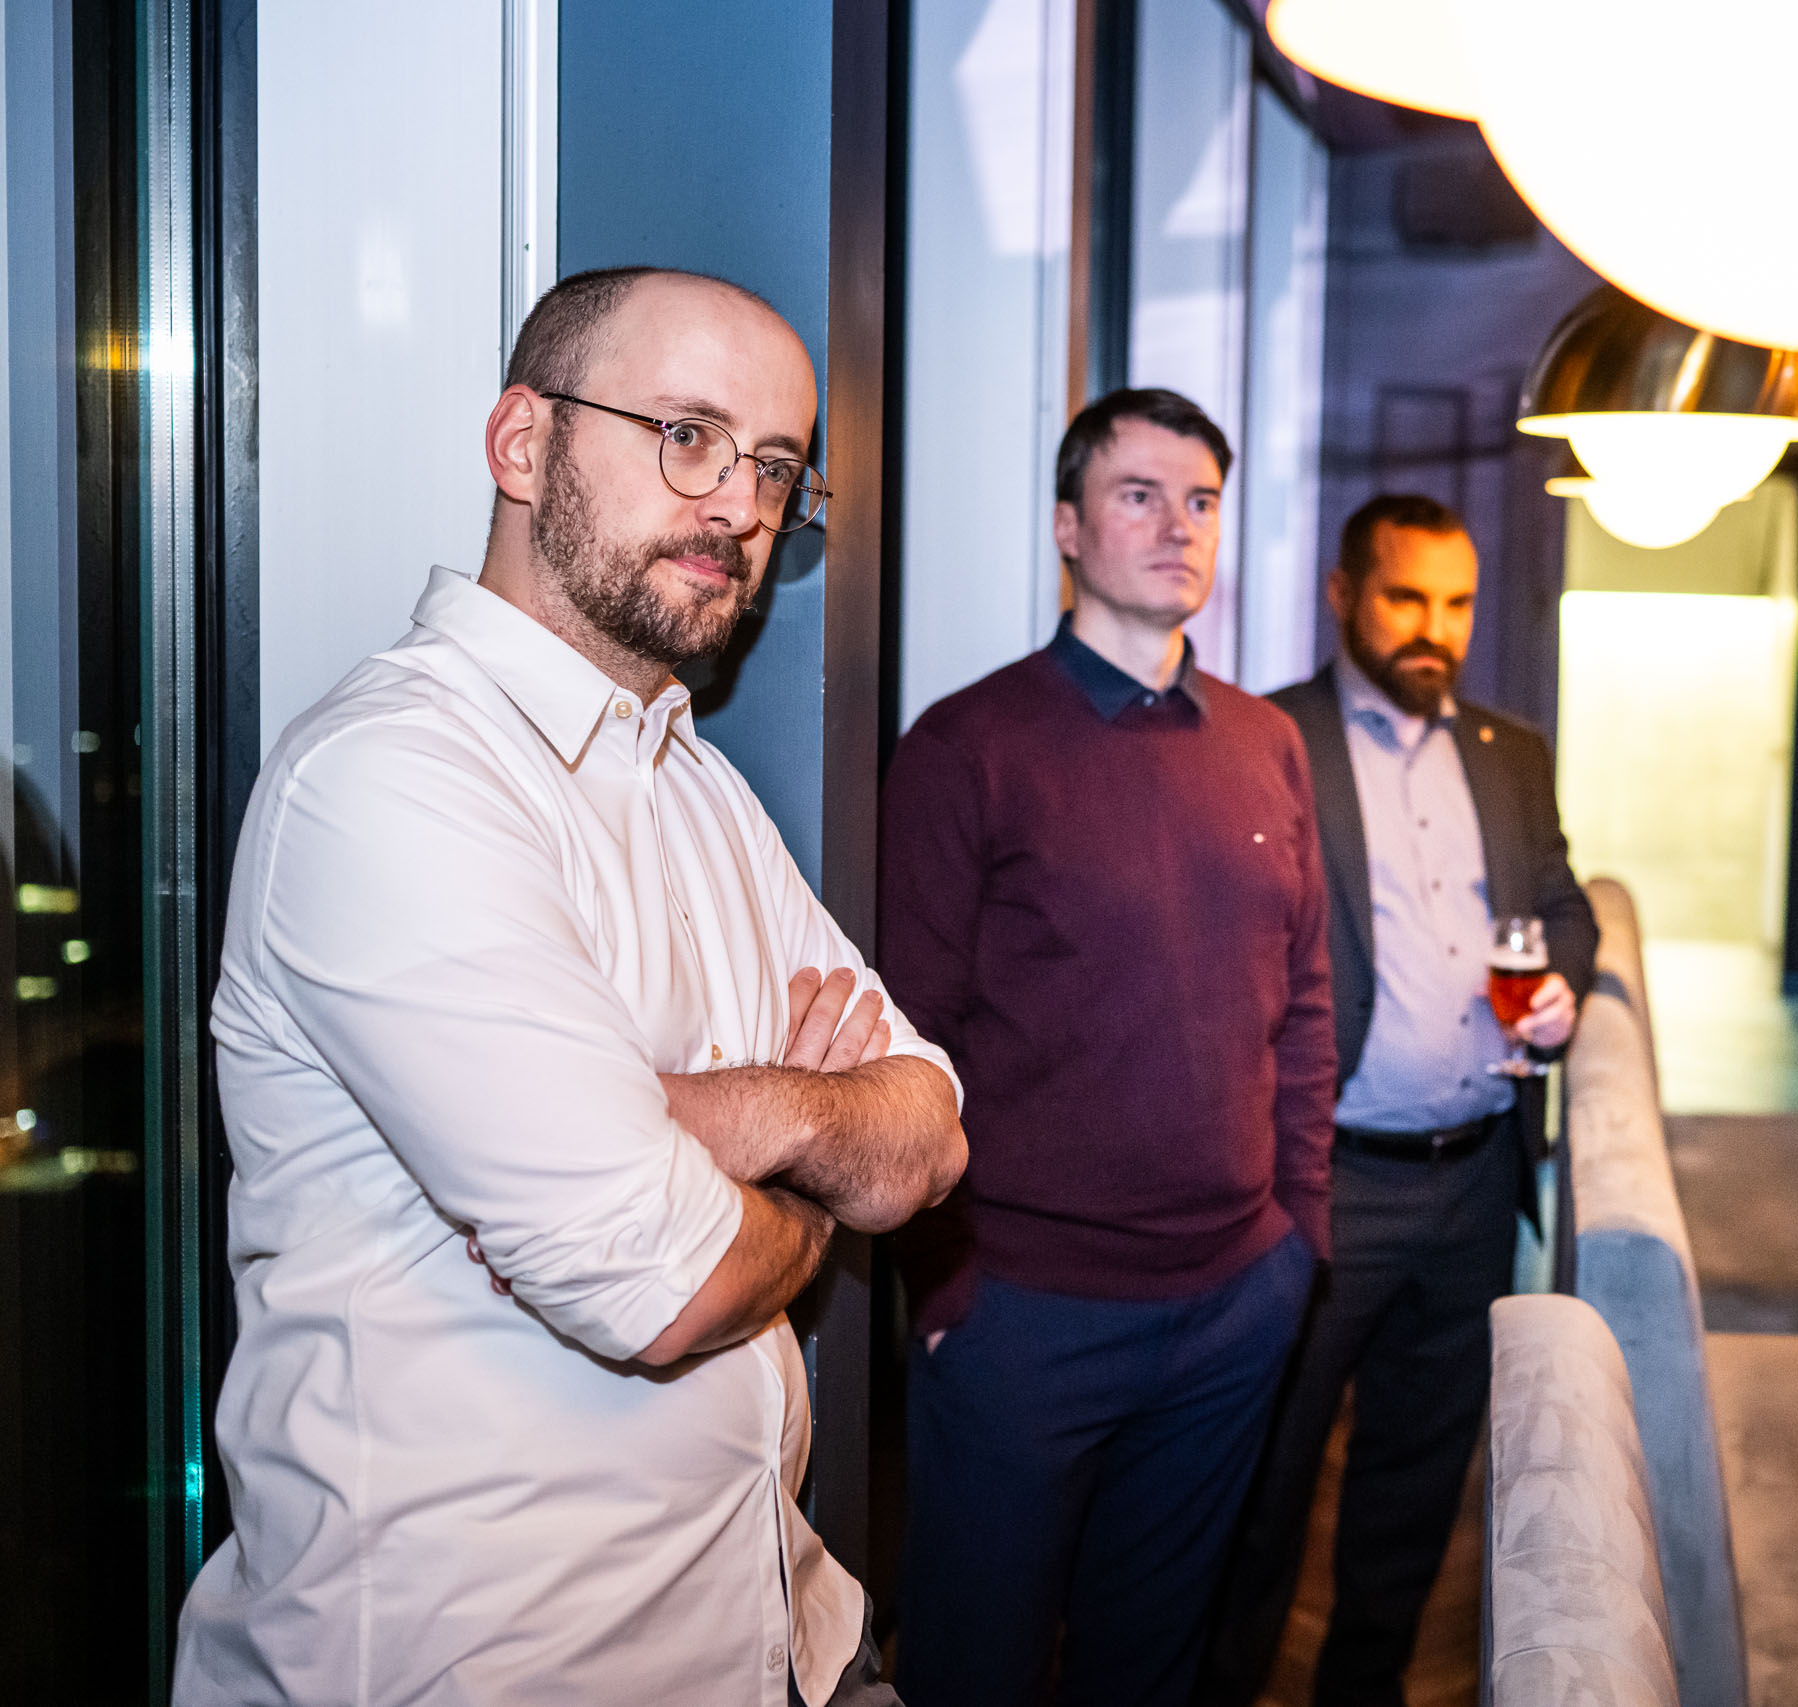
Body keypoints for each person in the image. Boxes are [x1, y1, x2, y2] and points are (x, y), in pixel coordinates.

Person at [173, 267, 967, 1707]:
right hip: (489, 1668)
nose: (740, 505)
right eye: (688, 435)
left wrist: (730, 1119)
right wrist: (816, 1173)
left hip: (784, 1632)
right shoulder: (390, 777)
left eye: (775, 466)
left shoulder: (699, 787)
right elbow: (665, 1286)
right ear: (523, 443)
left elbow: (930, 1134)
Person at [879, 388, 1333, 1707]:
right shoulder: (969, 746)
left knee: (1151, 1668)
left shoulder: (1267, 743)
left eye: (1201, 501)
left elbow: (1306, 1005)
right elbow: (908, 1036)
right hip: (1026, 1314)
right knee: (977, 1670)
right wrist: (946, 1288)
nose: (1178, 526)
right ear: (1068, 528)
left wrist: (1299, 1237)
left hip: (1235, 1302)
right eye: (1140, 495)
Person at [1200, 493, 1598, 1706]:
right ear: (1342, 596)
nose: (1437, 628)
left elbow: (1563, 905)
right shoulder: (1266, 738)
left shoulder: (1512, 753)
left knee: (1416, 1490)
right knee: (1264, 1487)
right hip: (1323, 1182)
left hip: (1475, 1181)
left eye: (1458, 603)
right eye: (1407, 598)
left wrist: (1563, 986)